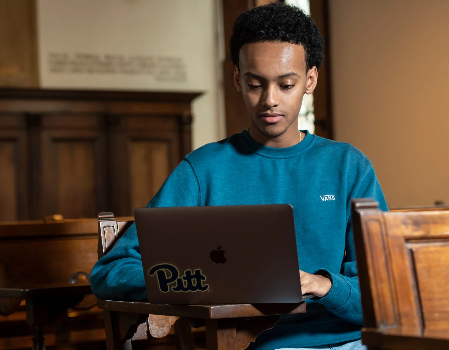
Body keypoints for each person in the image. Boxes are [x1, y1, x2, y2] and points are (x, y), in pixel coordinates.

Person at [91, 3, 388, 349]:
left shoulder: (349, 166)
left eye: (286, 84)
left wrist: (324, 285)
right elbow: (111, 272)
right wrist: (202, 281)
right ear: (237, 79)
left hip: (354, 342)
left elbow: (384, 289)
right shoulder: (203, 170)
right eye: (255, 84)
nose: (270, 100)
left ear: (310, 80)